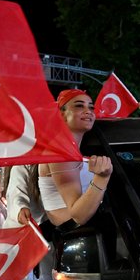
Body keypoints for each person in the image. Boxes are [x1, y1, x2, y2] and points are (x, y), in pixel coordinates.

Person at [38, 89, 113, 228]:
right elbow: (79, 215)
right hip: (75, 232)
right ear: (62, 114)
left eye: (91, 107)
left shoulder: (70, 148)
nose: (88, 111)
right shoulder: (60, 151)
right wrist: (102, 178)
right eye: (79, 106)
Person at [3, 164, 49, 228]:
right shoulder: (20, 167)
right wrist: (21, 208)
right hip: (22, 230)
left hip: (44, 227)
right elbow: (17, 194)